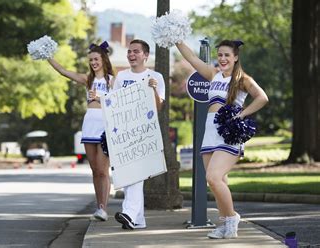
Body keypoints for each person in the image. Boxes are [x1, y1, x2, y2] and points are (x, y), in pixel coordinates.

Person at [175, 40, 268, 238]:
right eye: (220, 55)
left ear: (235, 57)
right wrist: (177, 39)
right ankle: (225, 225)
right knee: (218, 182)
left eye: (227, 55)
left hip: (229, 131)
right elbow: (191, 58)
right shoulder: (213, 74)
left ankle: (232, 217)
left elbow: (262, 97)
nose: (223, 59)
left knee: (213, 177)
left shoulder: (242, 79)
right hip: (210, 131)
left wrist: (242, 114)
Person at [47, 42, 113, 221]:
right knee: (94, 170)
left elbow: (119, 103)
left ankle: (103, 208)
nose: (93, 62)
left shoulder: (113, 81)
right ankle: (98, 207)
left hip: (106, 125)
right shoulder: (88, 80)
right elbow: (63, 71)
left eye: (96, 59)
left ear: (103, 59)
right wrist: (48, 56)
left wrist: (100, 97)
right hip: (90, 124)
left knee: (102, 169)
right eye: (91, 60)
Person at [112, 39, 165, 230]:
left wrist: (152, 89)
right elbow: (113, 104)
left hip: (144, 132)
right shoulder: (121, 77)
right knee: (128, 176)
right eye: (129, 52)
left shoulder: (155, 76)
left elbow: (159, 107)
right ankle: (138, 220)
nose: (131, 55)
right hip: (123, 132)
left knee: (136, 175)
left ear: (145, 55)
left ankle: (128, 213)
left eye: (136, 52)